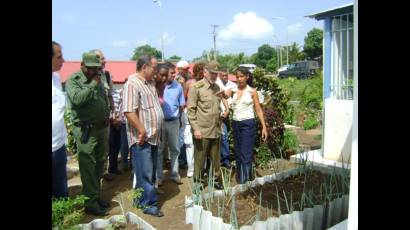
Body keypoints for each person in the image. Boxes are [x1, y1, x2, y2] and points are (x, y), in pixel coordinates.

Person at [65, 52, 111, 216]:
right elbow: (77, 99)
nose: (95, 71)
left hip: (101, 128)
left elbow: (103, 99)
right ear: (82, 65)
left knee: (99, 166)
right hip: (87, 131)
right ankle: (90, 203)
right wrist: (92, 84)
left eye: (97, 68)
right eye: (91, 68)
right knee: (88, 168)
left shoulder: (99, 78)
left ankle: (95, 197)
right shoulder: (74, 80)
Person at [122, 55, 164, 217]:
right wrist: (142, 130)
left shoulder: (150, 83)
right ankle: (150, 205)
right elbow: (129, 111)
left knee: (145, 173)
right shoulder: (132, 84)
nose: (156, 71)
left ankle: (140, 201)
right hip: (142, 138)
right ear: (145, 67)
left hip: (152, 136)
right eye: (154, 68)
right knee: (146, 173)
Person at [187, 61, 225, 190]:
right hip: (202, 130)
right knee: (200, 158)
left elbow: (217, 106)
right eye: (212, 73)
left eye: (216, 74)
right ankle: (198, 181)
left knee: (216, 158)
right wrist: (195, 129)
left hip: (216, 129)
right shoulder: (196, 88)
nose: (214, 76)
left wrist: (223, 112)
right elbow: (191, 111)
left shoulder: (217, 88)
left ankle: (215, 179)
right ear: (205, 72)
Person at [227, 67, 268, 184]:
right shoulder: (233, 90)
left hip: (248, 123)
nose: (239, 79)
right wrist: (223, 95)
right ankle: (245, 177)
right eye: (237, 77)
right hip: (235, 123)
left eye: (241, 76)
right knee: (238, 152)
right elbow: (224, 97)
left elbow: (258, 110)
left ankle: (244, 181)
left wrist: (264, 127)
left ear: (247, 77)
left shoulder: (252, 91)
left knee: (246, 151)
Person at [90, 49, 116, 181]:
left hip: (105, 119)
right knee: (92, 152)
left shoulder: (106, 75)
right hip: (91, 122)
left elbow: (110, 94)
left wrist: (113, 110)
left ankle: (103, 171)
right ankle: (93, 177)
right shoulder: (87, 76)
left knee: (104, 148)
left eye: (103, 58)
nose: (104, 61)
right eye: (101, 58)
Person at [156, 62, 185, 185]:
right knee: (159, 150)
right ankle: (158, 177)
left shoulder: (178, 86)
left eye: (175, 73)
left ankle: (174, 174)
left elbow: (181, 105)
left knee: (175, 148)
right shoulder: (156, 86)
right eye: (172, 73)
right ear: (165, 73)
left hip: (173, 122)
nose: (174, 75)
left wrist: (178, 119)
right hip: (160, 123)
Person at [183, 62, 205, 178]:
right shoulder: (189, 83)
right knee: (190, 144)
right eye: (202, 71)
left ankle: (202, 167)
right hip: (190, 114)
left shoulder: (207, 84)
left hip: (203, 115)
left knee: (202, 142)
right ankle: (191, 168)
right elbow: (183, 99)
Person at [52, 41, 68, 199]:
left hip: (58, 145)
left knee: (61, 191)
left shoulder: (56, 78)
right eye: (59, 56)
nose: (63, 60)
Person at [215, 71, 237, 168]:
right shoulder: (215, 84)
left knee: (224, 138)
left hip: (222, 115)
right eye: (222, 75)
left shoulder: (230, 84)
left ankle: (225, 159)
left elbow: (225, 97)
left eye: (226, 75)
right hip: (211, 116)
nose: (225, 77)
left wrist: (227, 109)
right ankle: (214, 160)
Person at [175, 60, 191, 169]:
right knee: (181, 136)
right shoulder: (177, 79)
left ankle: (184, 160)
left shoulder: (188, 79)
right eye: (182, 69)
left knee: (186, 137)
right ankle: (181, 160)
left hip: (186, 110)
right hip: (180, 110)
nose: (184, 71)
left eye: (185, 69)